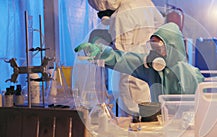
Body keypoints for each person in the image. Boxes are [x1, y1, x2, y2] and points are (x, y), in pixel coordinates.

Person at [75, 23, 205, 105]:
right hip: (161, 123)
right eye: (152, 46)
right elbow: (122, 59)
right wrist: (101, 52)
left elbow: (200, 106)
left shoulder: (193, 75)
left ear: (172, 47)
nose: (155, 52)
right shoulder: (151, 69)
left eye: (159, 47)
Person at [88, 0, 164, 117]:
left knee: (132, 121)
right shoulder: (145, 3)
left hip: (130, 78)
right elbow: (159, 28)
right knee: (145, 117)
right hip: (146, 71)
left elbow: (120, 56)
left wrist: (104, 50)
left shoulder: (121, 15)